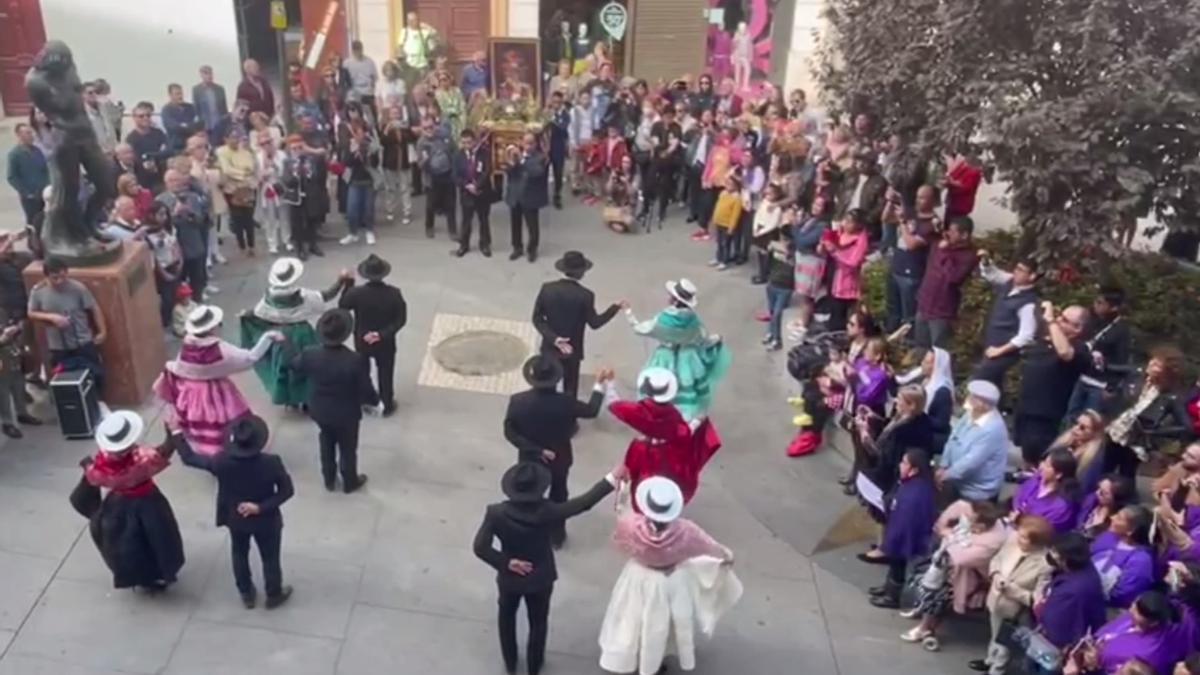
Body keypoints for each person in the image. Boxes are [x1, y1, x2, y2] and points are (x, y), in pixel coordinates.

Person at [473, 461, 622, 675]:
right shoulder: (548, 511)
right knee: (538, 622)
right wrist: (611, 478)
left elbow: (480, 547)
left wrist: (506, 563)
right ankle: (534, 666)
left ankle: (510, 662)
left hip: (509, 579)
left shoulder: (496, 513)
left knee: (506, 617)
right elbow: (583, 503)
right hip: (540, 578)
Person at [598, 476, 741, 675]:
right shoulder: (686, 531)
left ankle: (631, 658)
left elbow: (619, 542)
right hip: (671, 580)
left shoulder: (631, 526)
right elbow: (710, 546)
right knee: (662, 624)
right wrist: (725, 556)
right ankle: (654, 662)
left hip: (638, 577)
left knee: (631, 620)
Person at [175, 414, 294, 609]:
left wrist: (175, 433)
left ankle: (246, 593)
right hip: (266, 520)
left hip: (235, 518)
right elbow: (286, 491)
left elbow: (189, 458)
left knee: (239, 552)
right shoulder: (271, 463)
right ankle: (273, 593)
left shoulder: (221, 461)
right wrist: (260, 507)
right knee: (270, 557)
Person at [504, 355, 614, 547]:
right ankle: (557, 535)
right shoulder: (565, 402)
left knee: (529, 496)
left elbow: (510, 432)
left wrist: (536, 450)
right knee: (559, 493)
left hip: (530, 459)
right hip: (559, 457)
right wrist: (599, 384)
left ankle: (529, 532)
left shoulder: (518, 401)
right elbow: (591, 410)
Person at [71, 410, 185, 592]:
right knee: (160, 539)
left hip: (118, 506)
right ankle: (161, 572)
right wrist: (171, 432)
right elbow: (165, 450)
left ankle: (138, 577)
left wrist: (86, 464)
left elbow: (90, 475)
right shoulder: (143, 462)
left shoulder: (98, 469)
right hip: (149, 503)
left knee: (127, 546)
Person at [153, 304, 280, 455]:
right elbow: (250, 358)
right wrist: (268, 337)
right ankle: (232, 447)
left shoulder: (188, 345)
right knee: (225, 418)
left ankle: (208, 451)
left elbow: (181, 367)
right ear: (212, 328)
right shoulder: (220, 350)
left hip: (193, 392)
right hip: (216, 391)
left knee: (201, 423)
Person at [284, 309, 376, 493]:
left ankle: (329, 478)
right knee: (348, 448)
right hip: (346, 413)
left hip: (320, 409)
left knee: (326, 440)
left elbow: (294, 364)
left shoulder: (311, 354)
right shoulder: (355, 360)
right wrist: (374, 401)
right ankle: (350, 481)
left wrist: (287, 344)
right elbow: (365, 389)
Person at [241, 258, 351, 409]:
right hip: (303, 334)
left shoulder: (268, 299)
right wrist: (340, 280)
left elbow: (258, 314)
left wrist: (245, 315)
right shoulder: (302, 296)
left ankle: (291, 399)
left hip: (281, 336)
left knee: (285, 366)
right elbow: (326, 295)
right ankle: (307, 398)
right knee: (309, 366)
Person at [608, 367, 723, 510]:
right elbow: (684, 433)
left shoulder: (639, 411)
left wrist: (610, 384)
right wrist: (697, 421)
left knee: (634, 478)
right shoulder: (672, 415)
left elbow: (614, 405)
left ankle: (637, 506)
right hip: (668, 454)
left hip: (641, 450)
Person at [899, 500, 1007, 648]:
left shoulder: (992, 541)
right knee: (926, 576)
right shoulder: (977, 518)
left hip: (968, 576)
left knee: (936, 593)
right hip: (949, 564)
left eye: (972, 521)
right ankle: (921, 609)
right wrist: (949, 533)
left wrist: (950, 537)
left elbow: (960, 558)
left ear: (981, 526)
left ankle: (925, 627)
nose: (967, 521)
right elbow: (948, 521)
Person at [623, 279, 732, 422]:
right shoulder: (694, 321)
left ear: (674, 300)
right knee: (688, 392)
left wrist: (628, 312)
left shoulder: (663, 320)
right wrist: (716, 339)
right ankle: (685, 423)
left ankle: (658, 420)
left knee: (658, 387)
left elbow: (641, 329)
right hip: (688, 359)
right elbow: (703, 339)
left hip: (664, 358)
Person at [530, 250, 620, 400]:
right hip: (572, 349)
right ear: (581, 273)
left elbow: (537, 318)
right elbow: (595, 323)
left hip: (550, 347)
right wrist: (614, 309)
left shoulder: (547, 289)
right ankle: (569, 419)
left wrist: (554, 338)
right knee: (570, 388)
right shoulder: (585, 295)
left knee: (546, 383)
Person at [973, 517, 1056, 674]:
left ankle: (997, 669)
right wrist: (995, 574)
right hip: (996, 600)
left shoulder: (1045, 564)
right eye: (1020, 534)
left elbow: (1036, 598)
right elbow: (997, 559)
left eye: (1024, 538)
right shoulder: (1013, 543)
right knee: (994, 634)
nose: (1019, 538)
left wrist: (1011, 589)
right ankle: (990, 660)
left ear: (1036, 542)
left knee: (1005, 644)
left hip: (1015, 611)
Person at [1014, 302, 1092, 468]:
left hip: (1046, 415)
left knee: (1042, 461)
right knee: (1026, 456)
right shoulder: (1045, 342)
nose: (1057, 320)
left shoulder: (1080, 349)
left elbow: (1065, 353)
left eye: (1064, 320)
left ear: (1077, 328)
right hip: (1026, 408)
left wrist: (1050, 321)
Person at [854, 385, 935, 534]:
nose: (896, 401)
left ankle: (884, 546)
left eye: (900, 399)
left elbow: (883, 456)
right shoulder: (912, 419)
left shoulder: (908, 431)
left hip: (892, 478)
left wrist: (864, 434)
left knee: (883, 515)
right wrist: (873, 417)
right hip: (895, 474)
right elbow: (889, 428)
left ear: (911, 405)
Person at [1106, 346, 1193, 478]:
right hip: (1115, 432)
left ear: (1167, 372)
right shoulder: (1137, 375)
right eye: (1152, 360)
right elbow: (1111, 369)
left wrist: (1155, 432)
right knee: (1103, 469)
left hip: (1135, 442)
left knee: (1126, 476)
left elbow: (1187, 427)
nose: (1151, 364)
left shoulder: (1170, 396)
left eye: (1157, 364)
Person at [870, 448, 938, 610]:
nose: (901, 465)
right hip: (901, 531)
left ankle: (893, 596)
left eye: (904, 463)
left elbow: (906, 520)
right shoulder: (913, 484)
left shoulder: (916, 493)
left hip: (906, 535)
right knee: (895, 564)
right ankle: (888, 588)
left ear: (914, 470)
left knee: (898, 565)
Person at [338, 254, 406, 416]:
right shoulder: (394, 293)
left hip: (363, 338)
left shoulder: (357, 293)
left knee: (362, 370)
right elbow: (401, 319)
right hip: (386, 341)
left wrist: (348, 284)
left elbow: (343, 306)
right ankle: (387, 403)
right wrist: (381, 334)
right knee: (386, 372)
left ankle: (367, 399)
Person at [28, 256, 107, 391]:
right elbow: (31, 313)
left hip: (82, 341)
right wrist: (51, 317)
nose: (60, 281)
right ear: (46, 276)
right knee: (66, 382)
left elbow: (94, 308)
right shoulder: (38, 292)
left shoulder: (77, 288)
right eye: (55, 278)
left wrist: (102, 331)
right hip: (59, 346)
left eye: (63, 276)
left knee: (94, 377)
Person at [1065, 591, 1188, 675]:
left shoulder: (1149, 654)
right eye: (1134, 604)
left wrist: (1096, 665)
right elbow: (1107, 631)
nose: (1131, 610)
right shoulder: (1132, 617)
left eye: (1137, 611)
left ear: (1153, 623)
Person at [972, 252, 1039, 387]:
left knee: (979, 384)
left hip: (1002, 354)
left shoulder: (1028, 304)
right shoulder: (1009, 282)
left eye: (1021, 270)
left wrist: (1000, 350)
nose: (1016, 272)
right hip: (989, 346)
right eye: (1016, 268)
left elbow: (1026, 336)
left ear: (1032, 276)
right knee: (992, 387)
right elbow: (993, 274)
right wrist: (986, 260)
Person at [937, 380, 1009, 502]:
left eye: (973, 397)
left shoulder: (992, 429)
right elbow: (953, 437)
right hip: (957, 482)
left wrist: (946, 475)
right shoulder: (971, 413)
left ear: (983, 404)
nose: (968, 398)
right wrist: (943, 465)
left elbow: (971, 462)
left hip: (977, 492)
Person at [1067, 286, 1132, 421]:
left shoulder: (1121, 331)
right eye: (1096, 301)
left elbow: (1122, 361)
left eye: (1100, 303)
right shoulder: (1093, 321)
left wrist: (1111, 386)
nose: (1095, 306)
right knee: (1070, 417)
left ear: (1113, 308)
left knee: (1087, 421)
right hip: (1082, 377)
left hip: (1099, 384)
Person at [913, 216, 979, 350]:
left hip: (942, 311)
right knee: (920, 345)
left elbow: (953, 277)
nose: (948, 234)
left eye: (953, 231)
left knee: (938, 350)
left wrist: (946, 250)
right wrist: (935, 225)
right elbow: (922, 232)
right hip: (925, 303)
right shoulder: (939, 242)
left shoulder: (969, 255)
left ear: (964, 235)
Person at [887, 185, 940, 332]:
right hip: (896, 267)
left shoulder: (933, 223)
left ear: (933, 201)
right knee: (893, 311)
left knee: (908, 316)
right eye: (917, 197)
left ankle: (908, 345)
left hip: (912, 273)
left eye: (923, 197)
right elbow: (885, 218)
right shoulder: (912, 214)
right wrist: (890, 201)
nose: (918, 201)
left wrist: (903, 223)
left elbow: (912, 244)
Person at [157, 168, 211, 301]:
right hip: (176, 250)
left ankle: (198, 300)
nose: (175, 183)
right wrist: (174, 214)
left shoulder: (192, 197)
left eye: (177, 180)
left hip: (194, 244)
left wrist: (190, 214)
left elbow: (201, 221)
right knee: (179, 283)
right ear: (166, 183)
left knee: (197, 281)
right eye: (171, 180)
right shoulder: (160, 200)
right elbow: (160, 225)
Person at [1091, 505, 1156, 609]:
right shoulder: (1108, 537)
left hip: (1109, 610)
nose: (1112, 517)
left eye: (1119, 518)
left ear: (1131, 531)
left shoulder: (1141, 560)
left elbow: (1123, 596)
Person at [820, 208, 871, 331]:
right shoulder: (839, 233)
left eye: (850, 221)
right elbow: (825, 252)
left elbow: (853, 262)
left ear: (859, 224)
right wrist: (823, 246)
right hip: (834, 280)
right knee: (834, 317)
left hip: (848, 284)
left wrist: (835, 251)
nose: (845, 224)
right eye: (845, 220)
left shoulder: (860, 240)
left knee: (844, 322)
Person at [280, 133, 326, 260]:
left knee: (312, 221)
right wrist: (295, 176)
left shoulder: (310, 160)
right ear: (290, 149)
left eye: (299, 148)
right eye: (294, 149)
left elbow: (316, 175)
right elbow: (286, 179)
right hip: (295, 197)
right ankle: (299, 248)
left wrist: (308, 173)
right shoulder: (287, 162)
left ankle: (313, 245)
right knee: (297, 224)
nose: (297, 151)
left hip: (310, 195)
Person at [1012, 448, 1080, 533]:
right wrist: (1018, 511)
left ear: (1058, 474)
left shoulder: (1061, 506)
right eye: (1044, 462)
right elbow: (1019, 495)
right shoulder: (1037, 479)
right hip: (1015, 525)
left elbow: (1044, 529)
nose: (1041, 466)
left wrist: (1021, 518)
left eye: (1047, 465)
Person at [505, 133, 549, 263]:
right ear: (522, 143)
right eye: (526, 143)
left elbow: (537, 172)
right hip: (515, 195)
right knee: (515, 224)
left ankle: (532, 249)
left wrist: (521, 162)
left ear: (536, 144)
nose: (528, 146)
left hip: (530, 196)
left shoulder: (541, 157)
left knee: (532, 226)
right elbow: (509, 172)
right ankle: (517, 247)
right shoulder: (515, 154)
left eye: (531, 143)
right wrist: (512, 163)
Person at [215, 129, 259, 257]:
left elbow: (251, 166)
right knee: (237, 219)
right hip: (232, 189)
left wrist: (242, 173)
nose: (235, 140)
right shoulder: (221, 151)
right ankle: (241, 245)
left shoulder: (245, 152)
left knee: (249, 219)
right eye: (232, 137)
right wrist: (242, 173)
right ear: (226, 139)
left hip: (248, 187)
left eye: (237, 137)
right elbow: (227, 170)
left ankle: (252, 245)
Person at [452, 128, 495, 257]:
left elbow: (487, 171)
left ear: (475, 141)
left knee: (483, 220)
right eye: (464, 143)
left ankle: (485, 244)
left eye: (469, 142)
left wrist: (477, 185)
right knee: (466, 220)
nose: (467, 145)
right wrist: (466, 185)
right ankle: (464, 245)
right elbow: (455, 175)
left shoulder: (484, 153)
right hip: (466, 193)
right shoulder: (457, 156)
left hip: (482, 192)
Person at [416, 115, 457, 241]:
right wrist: (425, 161)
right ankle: (429, 226)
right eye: (425, 128)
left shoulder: (445, 136)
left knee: (451, 204)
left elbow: (454, 151)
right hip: (432, 177)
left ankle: (453, 230)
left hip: (448, 174)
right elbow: (419, 165)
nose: (428, 130)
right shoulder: (421, 143)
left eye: (431, 127)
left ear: (436, 125)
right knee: (431, 205)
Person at [0, 307, 39, 438]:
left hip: (12, 352)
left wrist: (16, 329)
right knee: (3, 392)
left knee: (18, 384)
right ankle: (7, 423)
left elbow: (11, 325)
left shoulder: (2, 310)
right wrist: (3, 338)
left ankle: (22, 413)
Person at [143, 202, 182, 329]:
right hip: (162, 268)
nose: (164, 217)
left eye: (165, 214)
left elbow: (175, 243)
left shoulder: (169, 228)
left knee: (177, 294)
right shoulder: (147, 233)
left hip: (174, 263)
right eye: (160, 214)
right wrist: (163, 274)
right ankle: (164, 322)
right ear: (152, 215)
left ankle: (176, 319)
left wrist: (180, 259)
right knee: (167, 299)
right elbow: (153, 255)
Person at [379, 104, 416, 226]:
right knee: (390, 188)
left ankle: (407, 211)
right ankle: (390, 210)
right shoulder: (385, 127)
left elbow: (411, 138)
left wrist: (406, 129)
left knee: (405, 187)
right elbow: (382, 142)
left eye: (397, 113)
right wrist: (387, 129)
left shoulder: (404, 127)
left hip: (403, 161)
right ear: (389, 115)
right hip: (390, 162)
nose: (395, 116)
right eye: (393, 113)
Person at [7, 123, 50, 226]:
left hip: (44, 193)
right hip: (30, 198)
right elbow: (12, 177)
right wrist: (26, 192)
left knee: (46, 221)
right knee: (33, 221)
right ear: (19, 135)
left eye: (31, 132)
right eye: (27, 133)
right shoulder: (15, 155)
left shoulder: (37, 151)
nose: (31, 135)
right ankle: (32, 240)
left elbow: (45, 169)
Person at [1077, 475, 1136, 540]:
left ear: (1116, 499)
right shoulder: (1091, 501)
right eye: (1098, 488)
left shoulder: (1116, 523)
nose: (1097, 493)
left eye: (1103, 493)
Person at [942, 148, 984, 221]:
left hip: (961, 206)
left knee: (955, 226)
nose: (967, 155)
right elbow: (952, 176)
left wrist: (952, 182)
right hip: (951, 202)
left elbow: (967, 187)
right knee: (947, 225)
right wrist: (947, 182)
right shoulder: (962, 165)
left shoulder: (975, 171)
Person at [161, 83, 200, 153]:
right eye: (177, 94)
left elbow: (197, 124)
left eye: (181, 93)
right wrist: (187, 126)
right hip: (175, 146)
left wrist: (184, 126)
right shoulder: (166, 110)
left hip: (191, 144)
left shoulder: (190, 107)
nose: (180, 96)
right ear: (170, 95)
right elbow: (173, 127)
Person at [343, 40, 378, 118]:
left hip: (367, 92)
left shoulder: (369, 61)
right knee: (355, 115)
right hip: (353, 93)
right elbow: (344, 80)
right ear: (352, 50)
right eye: (355, 49)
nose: (357, 51)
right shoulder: (347, 63)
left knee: (370, 116)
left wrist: (372, 90)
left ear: (362, 49)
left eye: (359, 49)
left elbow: (373, 78)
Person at [193, 65, 229, 136]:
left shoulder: (220, 89)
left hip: (219, 123)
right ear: (201, 75)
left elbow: (224, 108)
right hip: (206, 125)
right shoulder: (196, 90)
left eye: (210, 73)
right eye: (206, 73)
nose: (209, 76)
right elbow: (197, 109)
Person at [83, 81, 118, 154]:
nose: (94, 95)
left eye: (96, 92)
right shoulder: (81, 113)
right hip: (95, 153)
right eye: (90, 93)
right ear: (82, 95)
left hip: (112, 150)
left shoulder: (105, 109)